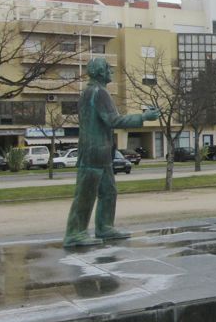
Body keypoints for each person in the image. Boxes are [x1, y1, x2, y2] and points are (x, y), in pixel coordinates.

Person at [63, 57, 159, 247]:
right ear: (100, 72)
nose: (111, 72)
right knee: (86, 193)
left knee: (108, 191)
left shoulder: (91, 92)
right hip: (94, 151)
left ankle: (105, 227)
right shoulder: (99, 93)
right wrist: (143, 117)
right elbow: (113, 120)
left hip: (101, 151)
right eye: (108, 69)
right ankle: (75, 233)